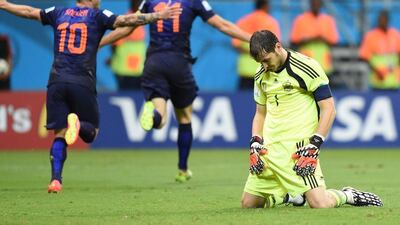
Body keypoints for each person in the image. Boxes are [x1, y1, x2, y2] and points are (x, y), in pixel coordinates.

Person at [0, 0, 181, 193]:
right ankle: (77, 124)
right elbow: (125, 20)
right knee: (92, 132)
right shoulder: (97, 16)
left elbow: (29, 11)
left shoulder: (58, 12)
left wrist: (4, 4)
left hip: (56, 82)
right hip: (82, 81)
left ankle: (55, 180)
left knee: (59, 135)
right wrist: (156, 16)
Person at [100, 0, 251, 182]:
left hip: (154, 63)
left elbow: (127, 27)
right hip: (179, 64)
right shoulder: (194, 2)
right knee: (185, 118)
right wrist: (251, 38)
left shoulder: (149, 1)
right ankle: (182, 169)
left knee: (161, 120)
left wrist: (97, 44)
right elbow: (221, 24)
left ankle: (154, 115)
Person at [241, 30, 383, 208]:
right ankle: (290, 197)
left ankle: (347, 195)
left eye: (266, 59)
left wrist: (315, 144)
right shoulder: (260, 74)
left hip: (298, 150)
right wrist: (255, 141)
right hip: (269, 151)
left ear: (278, 47)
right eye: (260, 62)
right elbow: (260, 113)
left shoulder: (306, 67)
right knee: (248, 204)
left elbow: (329, 108)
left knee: (320, 203)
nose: (264, 66)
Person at [232, 0, 281, 90]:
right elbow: (276, 47)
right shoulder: (270, 22)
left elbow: (236, 45)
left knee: (243, 101)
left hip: (245, 70)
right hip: (265, 69)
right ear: (265, 6)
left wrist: (252, 53)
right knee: (263, 101)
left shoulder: (244, 21)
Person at [290, 0, 338, 83]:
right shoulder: (301, 19)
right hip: (306, 64)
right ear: (310, 4)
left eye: (317, 3)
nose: (315, 5)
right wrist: (311, 38)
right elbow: (294, 40)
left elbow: (334, 41)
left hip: (324, 64)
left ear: (321, 5)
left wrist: (322, 38)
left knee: (324, 91)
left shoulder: (328, 20)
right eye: (314, 3)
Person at [359, 10, 400, 90]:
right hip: (378, 80)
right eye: (381, 20)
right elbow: (364, 56)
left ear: (388, 20)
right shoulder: (371, 36)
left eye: (385, 20)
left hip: (394, 80)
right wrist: (376, 70)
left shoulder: (395, 34)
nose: (383, 22)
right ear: (378, 20)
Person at [109, 0, 146, 90]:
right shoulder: (126, 20)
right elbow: (114, 44)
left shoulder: (140, 19)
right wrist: (113, 58)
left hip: (138, 69)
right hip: (125, 71)